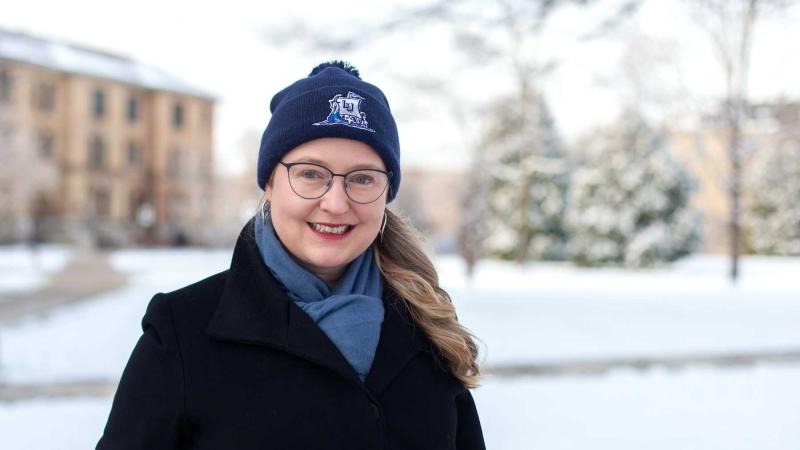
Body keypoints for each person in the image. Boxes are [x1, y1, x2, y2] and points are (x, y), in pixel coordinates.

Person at [96, 61, 485, 450]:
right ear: (269, 183)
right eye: (310, 174)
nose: (335, 203)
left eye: (363, 178)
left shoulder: (427, 324)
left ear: (386, 194)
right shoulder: (182, 332)